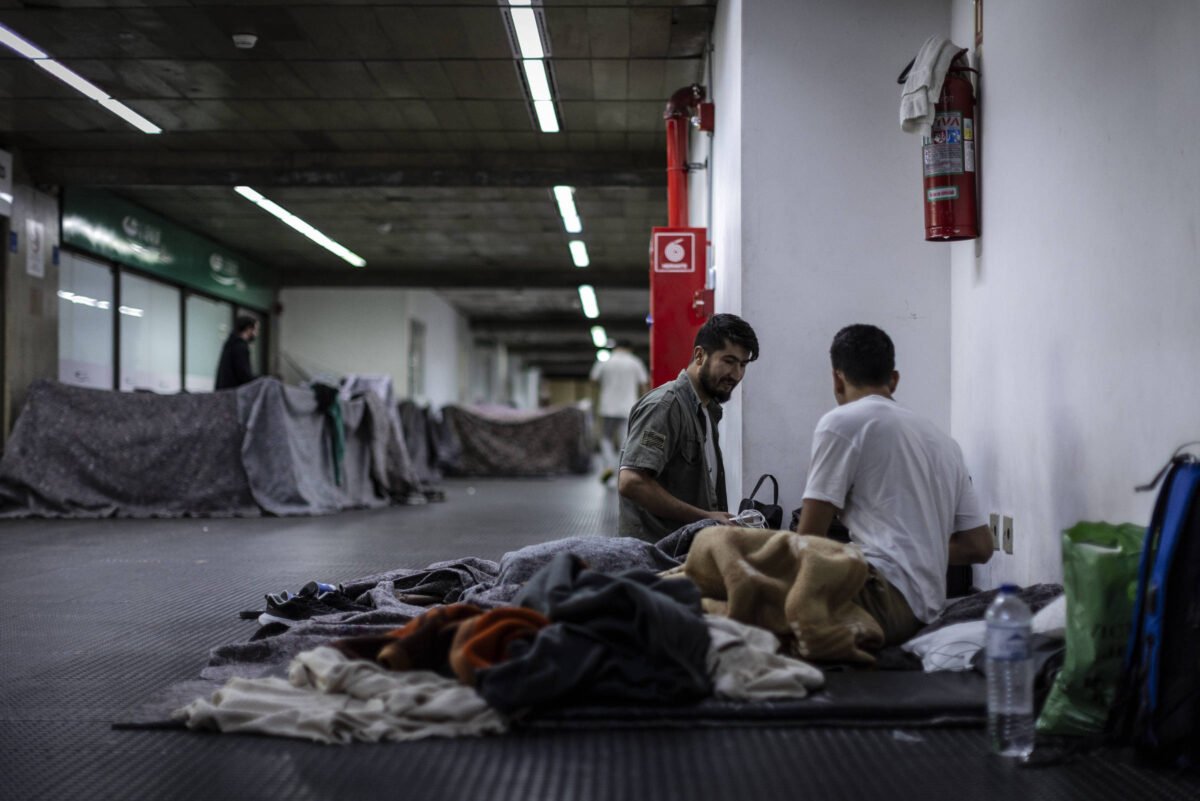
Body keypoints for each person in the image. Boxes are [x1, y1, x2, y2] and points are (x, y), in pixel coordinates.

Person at [794, 324, 993, 645]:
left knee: (736, 556)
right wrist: (916, 549)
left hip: (881, 601)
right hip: (924, 610)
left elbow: (807, 540)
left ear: (836, 378)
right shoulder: (944, 442)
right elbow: (980, 547)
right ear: (893, 379)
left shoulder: (841, 423)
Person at [618, 314, 759, 542]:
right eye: (729, 361)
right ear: (700, 355)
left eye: (743, 365)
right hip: (654, 558)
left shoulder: (708, 410)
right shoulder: (665, 407)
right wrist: (703, 517)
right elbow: (632, 482)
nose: (736, 374)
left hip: (684, 552)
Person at [589, 340, 649, 485]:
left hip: (607, 406)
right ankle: (619, 471)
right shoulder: (635, 362)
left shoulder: (605, 362)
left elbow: (593, 380)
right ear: (630, 349)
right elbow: (644, 384)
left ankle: (609, 466)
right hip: (628, 407)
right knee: (625, 440)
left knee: (606, 438)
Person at [215, 315, 259, 390]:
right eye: (255, 329)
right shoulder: (240, 347)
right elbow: (244, 375)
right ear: (249, 329)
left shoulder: (229, 344)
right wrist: (262, 380)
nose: (257, 333)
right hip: (234, 394)